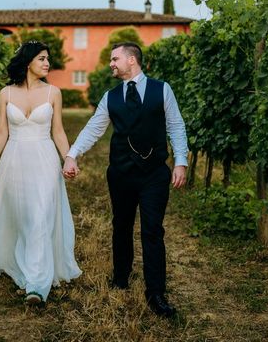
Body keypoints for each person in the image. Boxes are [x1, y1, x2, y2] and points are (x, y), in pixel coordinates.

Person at [62, 42, 187, 318]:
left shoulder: (162, 89)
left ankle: (156, 292)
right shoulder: (111, 97)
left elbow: (176, 126)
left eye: (115, 58)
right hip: (120, 172)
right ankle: (121, 277)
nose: (111, 64)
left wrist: (180, 162)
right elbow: (94, 128)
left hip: (155, 172)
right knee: (121, 225)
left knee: (152, 230)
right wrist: (72, 155)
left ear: (132, 60)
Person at [0, 40, 81, 305]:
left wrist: (69, 159)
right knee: (22, 217)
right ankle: (24, 266)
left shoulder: (53, 92)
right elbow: (2, 131)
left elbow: (57, 130)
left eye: (48, 59)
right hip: (14, 160)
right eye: (42, 58)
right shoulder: (6, 93)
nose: (47, 63)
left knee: (41, 217)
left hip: (44, 159)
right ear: (28, 61)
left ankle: (37, 284)